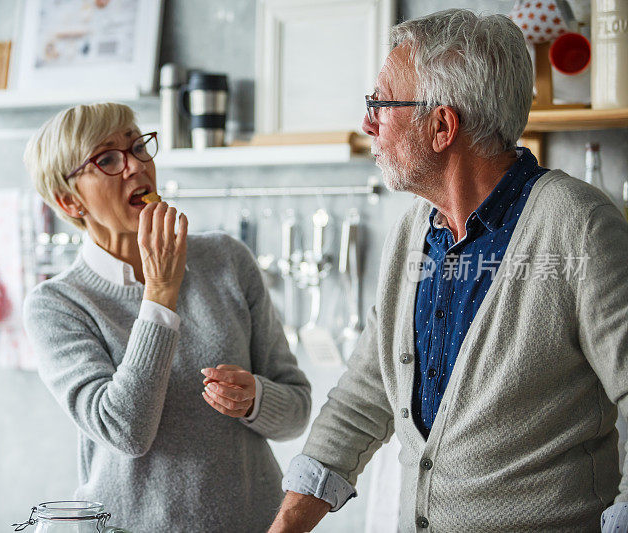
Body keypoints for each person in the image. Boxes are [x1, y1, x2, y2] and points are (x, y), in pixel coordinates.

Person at [269, 9, 628, 533]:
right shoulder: (412, 233)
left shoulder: (577, 225)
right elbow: (364, 395)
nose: (369, 122)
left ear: (442, 126)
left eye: (383, 103)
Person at [22, 103, 311, 532]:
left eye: (138, 147)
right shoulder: (57, 304)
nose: (136, 166)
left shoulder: (227, 259)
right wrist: (160, 294)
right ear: (69, 200)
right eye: (107, 159)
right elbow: (125, 431)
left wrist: (255, 400)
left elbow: (298, 409)